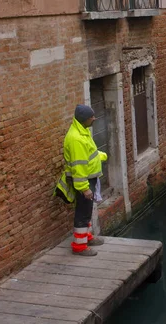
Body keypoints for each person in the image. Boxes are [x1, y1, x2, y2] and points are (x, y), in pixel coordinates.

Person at [54, 104, 107, 256]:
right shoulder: (76, 139)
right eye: (92, 117)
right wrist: (85, 188)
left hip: (88, 178)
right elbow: (79, 167)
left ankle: (87, 237)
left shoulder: (82, 131)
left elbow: (89, 154)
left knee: (87, 210)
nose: (94, 119)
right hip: (83, 181)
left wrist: (101, 156)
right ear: (84, 119)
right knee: (83, 213)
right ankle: (79, 246)